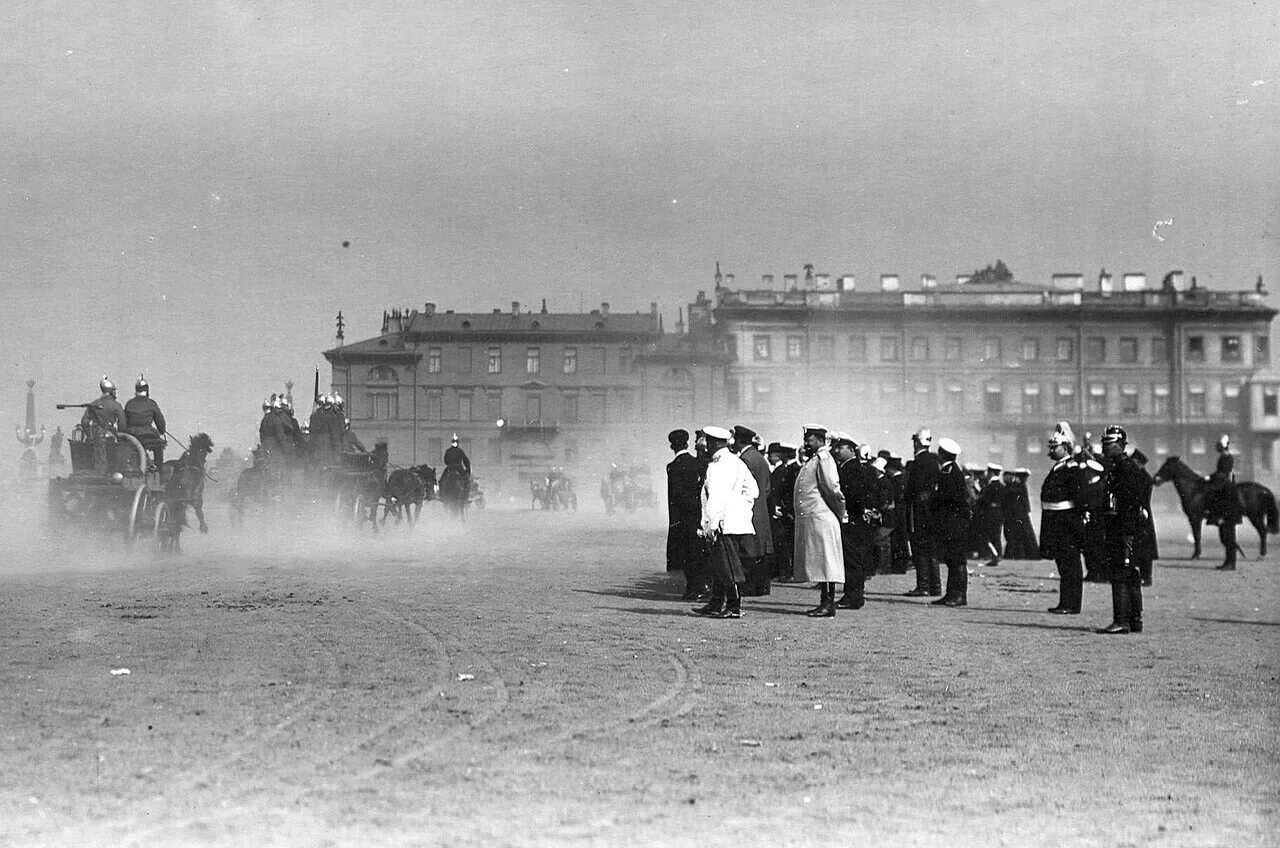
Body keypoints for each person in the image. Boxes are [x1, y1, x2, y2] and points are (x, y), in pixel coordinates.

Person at [692, 426, 758, 619]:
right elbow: (752, 491)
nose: (705, 446)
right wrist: (741, 509)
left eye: (707, 442)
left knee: (728, 566)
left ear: (714, 443)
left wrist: (711, 525)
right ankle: (715, 603)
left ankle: (734, 606)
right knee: (720, 564)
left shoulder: (718, 466)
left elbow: (716, 498)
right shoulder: (737, 462)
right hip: (734, 521)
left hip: (722, 522)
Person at [1097, 425, 1152, 634]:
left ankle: (1121, 620)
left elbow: (1130, 503)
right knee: (1130, 574)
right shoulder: (1118, 466)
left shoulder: (1125, 469)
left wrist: (1126, 532)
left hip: (1123, 529)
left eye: (1107, 444)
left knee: (1120, 573)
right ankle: (1135, 620)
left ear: (1118, 445)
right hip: (1123, 528)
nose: (1104, 447)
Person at [793, 425, 847, 617]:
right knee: (821, 563)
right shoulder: (815, 459)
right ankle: (825, 602)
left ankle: (828, 603)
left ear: (820, 440)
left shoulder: (825, 459)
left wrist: (841, 512)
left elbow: (832, 488)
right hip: (814, 518)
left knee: (827, 563)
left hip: (821, 517)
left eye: (810, 439)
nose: (806, 442)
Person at [831, 432, 883, 610]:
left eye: (841, 447)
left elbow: (854, 495)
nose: (837, 450)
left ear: (852, 449)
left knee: (852, 557)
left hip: (851, 518)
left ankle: (853, 596)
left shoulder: (852, 469)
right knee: (852, 557)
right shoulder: (849, 467)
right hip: (853, 518)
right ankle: (853, 594)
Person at [1041, 422, 1087, 615]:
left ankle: (1072, 604)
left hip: (1067, 523)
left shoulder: (1072, 468)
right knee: (1063, 565)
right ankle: (1065, 602)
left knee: (1070, 565)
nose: (1051, 450)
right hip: (1056, 522)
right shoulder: (1059, 467)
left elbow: (1081, 498)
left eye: (1054, 447)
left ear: (1066, 447)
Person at [731, 424, 775, 596]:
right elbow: (767, 488)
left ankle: (750, 587)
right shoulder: (759, 458)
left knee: (748, 550)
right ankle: (762, 586)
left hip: (750, 509)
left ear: (740, 440)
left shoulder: (745, 460)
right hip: (761, 509)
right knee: (760, 550)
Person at [930, 438, 972, 607]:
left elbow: (949, 498)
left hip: (954, 524)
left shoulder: (950, 473)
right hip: (954, 523)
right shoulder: (951, 471)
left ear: (943, 454)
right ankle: (951, 594)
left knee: (957, 559)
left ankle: (959, 595)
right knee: (952, 559)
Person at [666, 430, 706, 597]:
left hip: (682, 517)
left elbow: (675, 495)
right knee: (696, 553)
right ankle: (698, 587)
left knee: (686, 555)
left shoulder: (673, 466)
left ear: (671, 447)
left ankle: (693, 588)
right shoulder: (697, 463)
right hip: (698, 513)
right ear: (687, 444)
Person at [902, 427, 941, 597]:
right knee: (931, 549)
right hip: (932, 512)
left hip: (918, 510)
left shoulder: (916, 463)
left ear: (917, 443)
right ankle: (935, 585)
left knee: (919, 548)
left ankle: (923, 585)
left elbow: (911, 488)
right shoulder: (935, 461)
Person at [1206, 434, 1242, 570]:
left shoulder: (1228, 458)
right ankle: (1228, 562)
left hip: (1228, 497)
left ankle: (1231, 563)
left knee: (1228, 536)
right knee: (1225, 536)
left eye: (1220, 446)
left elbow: (1223, 473)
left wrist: (1210, 477)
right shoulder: (1223, 457)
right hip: (1223, 486)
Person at [767, 442, 800, 582]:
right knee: (783, 543)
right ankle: (785, 571)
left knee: (789, 544)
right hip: (783, 511)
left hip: (788, 512)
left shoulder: (795, 470)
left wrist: (788, 510)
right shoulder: (784, 469)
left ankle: (790, 572)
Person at [123, 375, 167, 470]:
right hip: (148, 435)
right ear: (147, 390)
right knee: (159, 446)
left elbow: (124, 422)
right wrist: (162, 430)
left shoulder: (129, 404)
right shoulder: (151, 404)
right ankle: (159, 471)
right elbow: (160, 422)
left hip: (131, 436)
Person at [1002, 469, 1039, 559]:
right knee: (1025, 534)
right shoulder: (1020, 486)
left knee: (1020, 534)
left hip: (1019, 514)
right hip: (1022, 514)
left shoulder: (1018, 486)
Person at [974, 463, 1005, 566]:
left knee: (988, 535)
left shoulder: (989, 487)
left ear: (991, 473)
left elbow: (982, 501)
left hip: (989, 513)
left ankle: (995, 555)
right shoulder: (1002, 486)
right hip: (999, 513)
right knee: (996, 534)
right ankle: (998, 555)